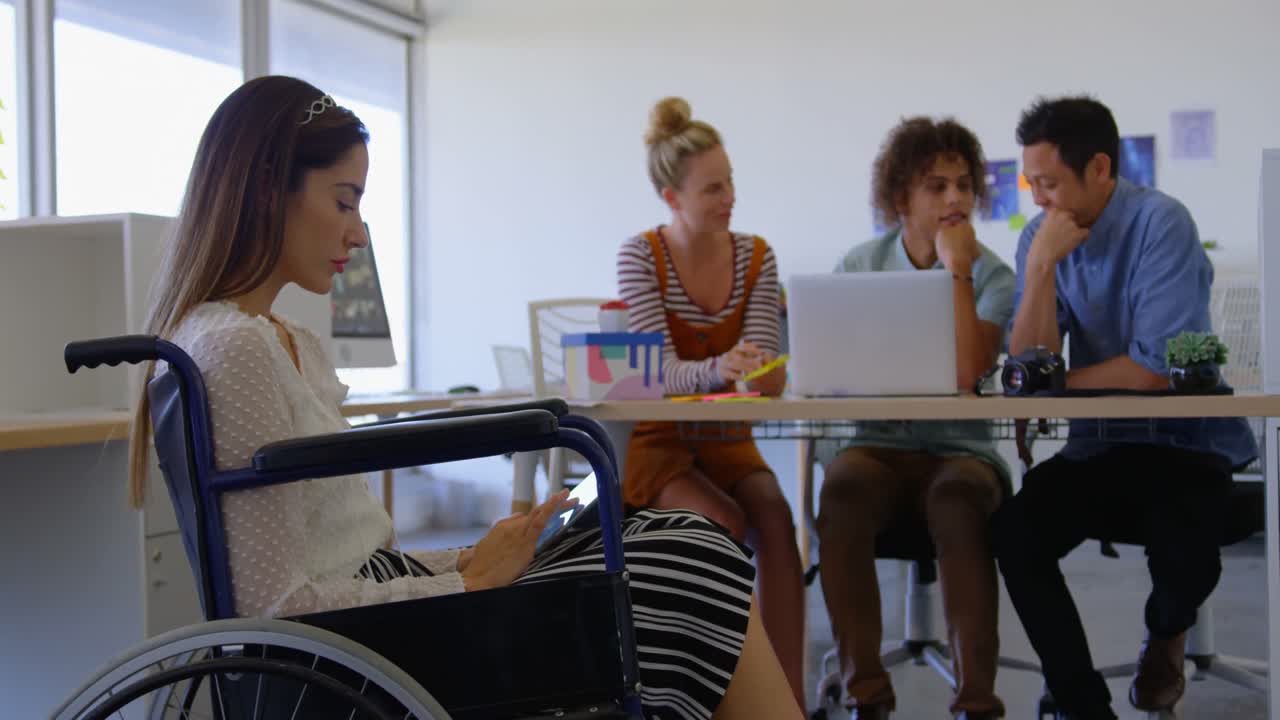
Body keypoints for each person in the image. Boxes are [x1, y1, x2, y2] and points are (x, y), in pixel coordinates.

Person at [125, 76, 802, 720]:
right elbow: (275, 610)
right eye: (344, 201)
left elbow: (345, 555)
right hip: (367, 652)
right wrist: (468, 582)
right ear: (270, 190)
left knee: (676, 538)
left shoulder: (278, 337)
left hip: (387, 612)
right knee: (693, 560)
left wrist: (467, 558)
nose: (358, 233)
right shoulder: (235, 349)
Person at [992, 96, 1258, 720]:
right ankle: (1083, 704)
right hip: (1100, 447)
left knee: (1184, 548)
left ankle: (1166, 635)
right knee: (1016, 533)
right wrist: (1040, 267)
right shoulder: (1041, 237)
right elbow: (1028, 367)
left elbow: (1154, 369)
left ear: (1100, 168)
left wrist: (1055, 384)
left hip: (1184, 444)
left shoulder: (1161, 224)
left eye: (1050, 183)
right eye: (1032, 183)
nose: (1038, 198)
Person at [816, 117, 1015, 720]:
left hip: (962, 451)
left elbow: (969, 370)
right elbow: (830, 368)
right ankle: (866, 694)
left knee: (957, 500)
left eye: (964, 185)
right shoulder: (860, 265)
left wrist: (957, 272)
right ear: (902, 198)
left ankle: (976, 702)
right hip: (876, 445)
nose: (956, 198)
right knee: (842, 490)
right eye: (937, 186)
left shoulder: (992, 274)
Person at [617, 96, 806, 708]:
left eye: (730, 183)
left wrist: (760, 372)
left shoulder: (757, 256)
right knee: (720, 523)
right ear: (672, 197)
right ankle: (728, 699)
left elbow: (762, 365)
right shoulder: (641, 255)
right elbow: (656, 374)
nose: (730, 199)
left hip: (729, 440)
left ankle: (788, 700)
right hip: (662, 445)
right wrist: (722, 369)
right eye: (713, 188)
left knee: (775, 519)